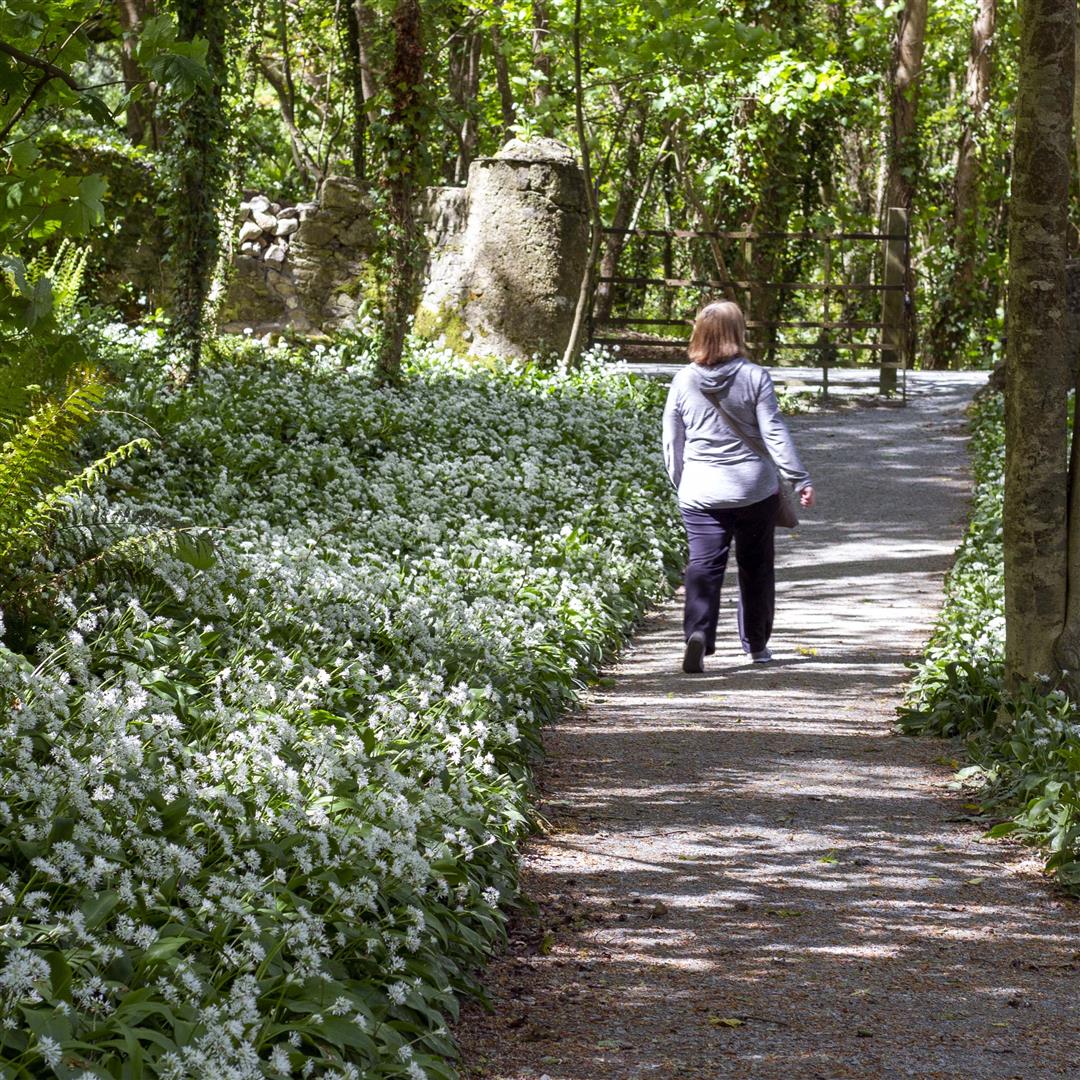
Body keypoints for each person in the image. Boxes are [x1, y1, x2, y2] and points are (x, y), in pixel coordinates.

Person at [662, 300, 815, 674]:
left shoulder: (683, 379)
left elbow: (671, 438)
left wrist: (682, 481)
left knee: (703, 565)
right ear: (737, 333)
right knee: (756, 565)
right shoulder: (754, 377)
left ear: (698, 333)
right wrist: (798, 478)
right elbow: (774, 432)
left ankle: (698, 634)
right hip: (754, 490)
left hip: (701, 491)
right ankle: (757, 646)